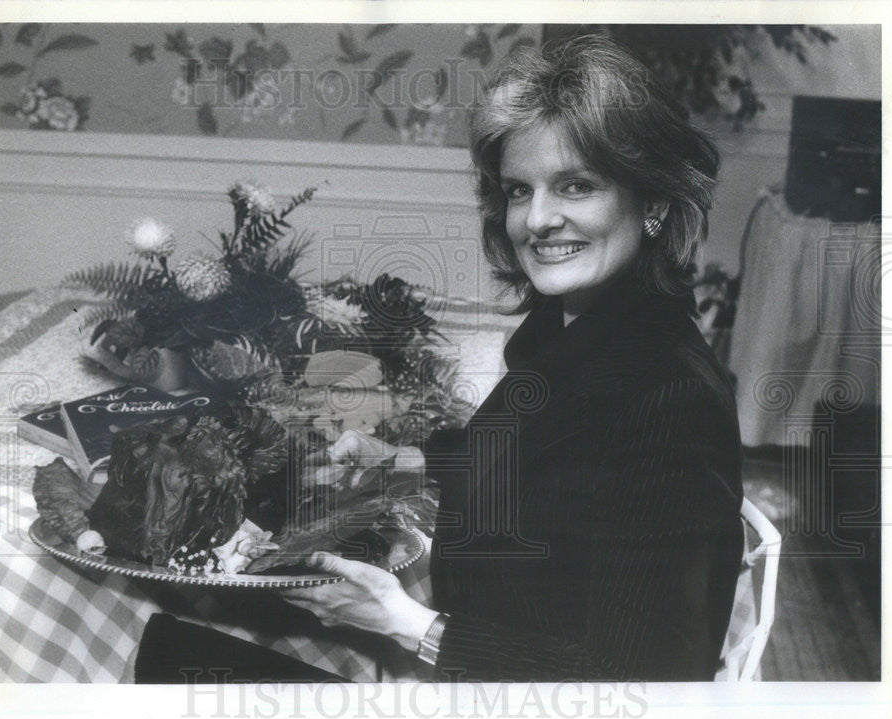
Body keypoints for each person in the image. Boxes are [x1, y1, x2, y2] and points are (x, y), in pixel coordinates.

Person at [133, 35, 744, 683]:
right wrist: (404, 462)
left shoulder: (669, 399)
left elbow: (645, 684)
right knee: (171, 645)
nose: (536, 219)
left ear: (652, 204)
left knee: (156, 669)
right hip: (479, 671)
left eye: (576, 185)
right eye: (517, 190)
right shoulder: (576, 327)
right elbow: (544, 467)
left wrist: (406, 622)